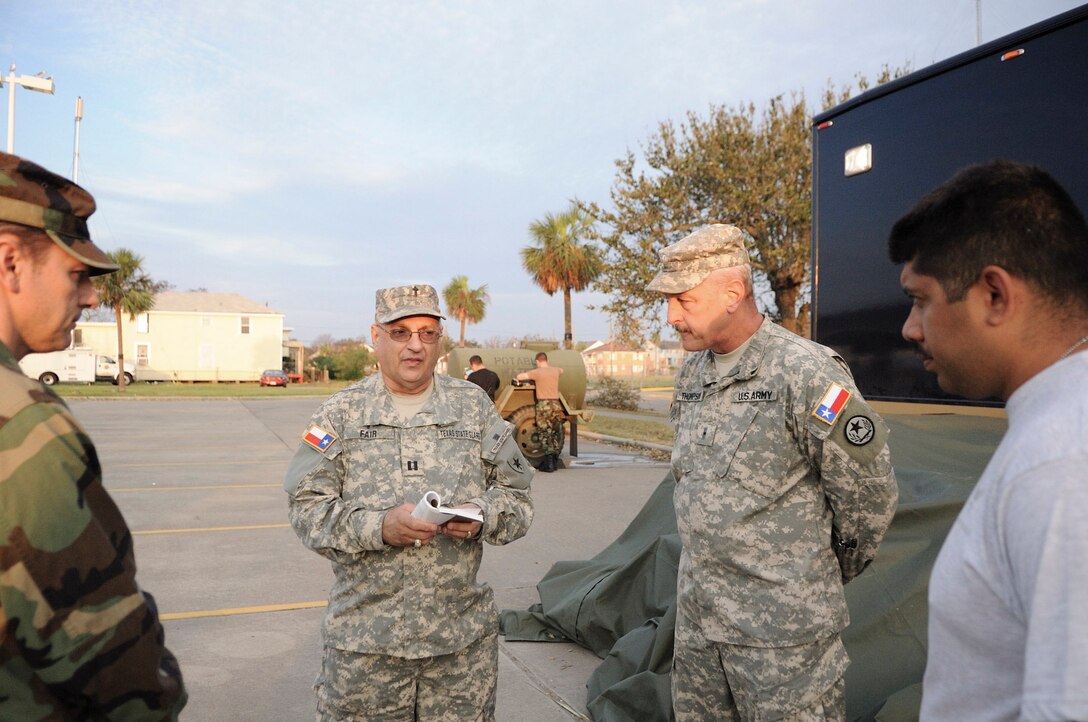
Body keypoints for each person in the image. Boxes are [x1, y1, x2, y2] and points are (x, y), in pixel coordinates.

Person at [646, 224, 898, 721]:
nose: (671, 316)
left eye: (684, 300)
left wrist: (811, 580)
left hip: (783, 639)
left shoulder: (808, 372)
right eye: (668, 301)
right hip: (701, 624)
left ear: (733, 294)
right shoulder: (693, 373)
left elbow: (871, 493)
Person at [888, 160, 1088, 722]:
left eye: (921, 299)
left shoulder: (1060, 463)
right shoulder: (1057, 427)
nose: (910, 328)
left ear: (995, 295)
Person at [284, 283, 534, 721]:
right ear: (376, 336)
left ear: (440, 339)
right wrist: (378, 527)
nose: (415, 345)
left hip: (459, 650)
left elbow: (517, 497)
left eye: (427, 332)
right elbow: (307, 508)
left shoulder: (473, 407)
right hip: (365, 648)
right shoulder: (340, 413)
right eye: (400, 333)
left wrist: (482, 515)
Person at [0, 151, 187, 719]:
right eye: (77, 274)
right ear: (10, 262)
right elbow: (116, 669)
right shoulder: (22, 421)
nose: (90, 298)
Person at [516, 352, 565, 473]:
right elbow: (562, 370)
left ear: (538, 361)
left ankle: (549, 464)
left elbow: (520, 376)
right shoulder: (556, 371)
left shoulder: (537, 372)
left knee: (544, 433)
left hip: (544, 405)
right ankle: (554, 460)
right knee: (554, 432)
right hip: (556, 404)